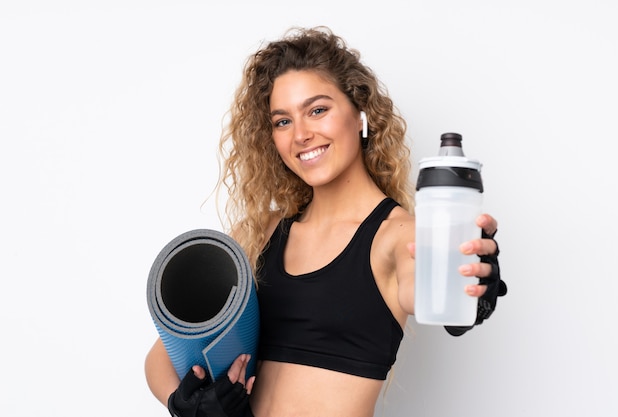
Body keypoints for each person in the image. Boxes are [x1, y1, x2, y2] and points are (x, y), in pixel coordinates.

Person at [145, 26, 506, 417]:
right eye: (282, 121)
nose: (301, 134)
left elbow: (436, 296)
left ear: (361, 114)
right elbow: (163, 355)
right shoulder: (263, 233)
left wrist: (472, 287)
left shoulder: (398, 235)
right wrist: (186, 405)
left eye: (318, 110)